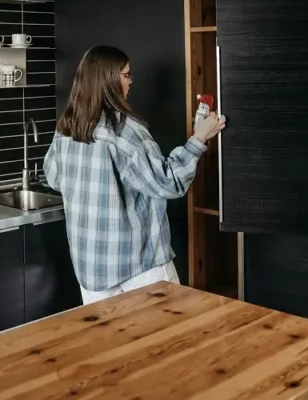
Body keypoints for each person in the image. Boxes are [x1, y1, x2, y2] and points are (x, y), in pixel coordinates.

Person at [43, 45, 225, 304]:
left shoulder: (66, 128)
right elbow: (169, 182)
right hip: (139, 265)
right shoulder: (125, 131)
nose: (130, 82)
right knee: (165, 339)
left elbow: (54, 177)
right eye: (127, 75)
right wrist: (199, 138)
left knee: (110, 342)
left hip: (90, 267)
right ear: (109, 79)